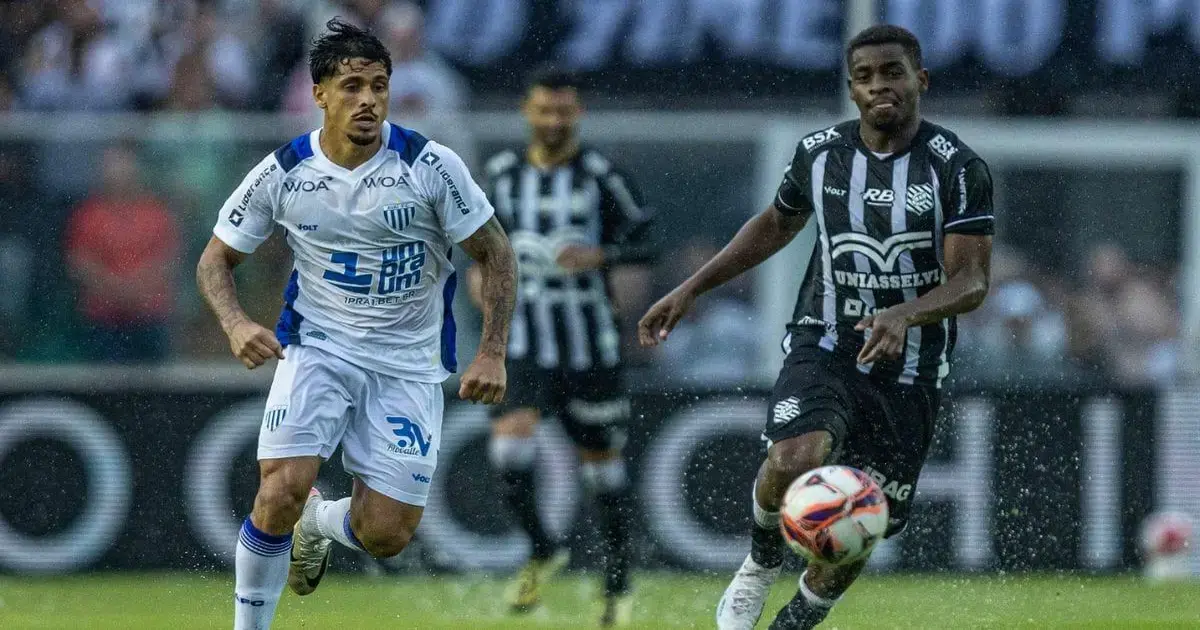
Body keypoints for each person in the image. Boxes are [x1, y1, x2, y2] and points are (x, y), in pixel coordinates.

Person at [639, 25, 994, 630]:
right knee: (793, 455)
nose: (880, 85)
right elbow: (776, 224)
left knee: (860, 520)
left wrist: (904, 315)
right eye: (865, 76)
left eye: (893, 72)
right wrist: (692, 287)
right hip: (825, 340)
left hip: (911, 369)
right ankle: (757, 564)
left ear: (920, 80)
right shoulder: (819, 153)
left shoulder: (957, 169)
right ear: (852, 89)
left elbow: (972, 282)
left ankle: (798, 618)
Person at [195, 19, 516, 630]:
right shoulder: (284, 171)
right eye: (351, 86)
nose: (367, 99)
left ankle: (321, 521)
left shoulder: (430, 166)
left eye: (378, 86)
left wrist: (492, 350)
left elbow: (495, 252)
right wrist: (235, 323)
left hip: (409, 363)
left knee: (386, 534)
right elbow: (216, 259)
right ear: (319, 94)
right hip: (317, 347)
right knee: (281, 489)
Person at [471, 69, 654, 627]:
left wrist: (601, 259)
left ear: (578, 114)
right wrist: (490, 318)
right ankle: (543, 546)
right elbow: (478, 250)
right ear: (528, 111)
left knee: (602, 467)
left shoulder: (602, 176)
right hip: (523, 340)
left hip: (589, 343)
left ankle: (617, 585)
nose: (553, 121)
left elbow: (644, 242)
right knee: (509, 447)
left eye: (564, 111)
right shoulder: (500, 176)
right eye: (545, 110)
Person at [65, 143, 179, 362]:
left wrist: (134, 290)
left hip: (150, 315)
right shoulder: (88, 215)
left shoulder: (156, 213)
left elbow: (167, 261)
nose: (119, 174)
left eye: (124, 167)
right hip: (102, 317)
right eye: (112, 167)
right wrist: (116, 290)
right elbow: (80, 263)